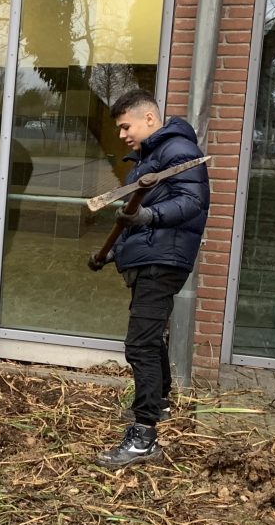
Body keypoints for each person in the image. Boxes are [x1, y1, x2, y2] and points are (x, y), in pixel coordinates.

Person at [87, 88, 209, 468]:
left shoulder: (177, 151)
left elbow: (193, 201)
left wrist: (150, 218)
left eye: (126, 126)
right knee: (150, 339)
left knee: (139, 345)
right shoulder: (151, 156)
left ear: (149, 119)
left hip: (164, 259)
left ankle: (143, 437)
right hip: (152, 255)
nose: (123, 134)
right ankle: (161, 403)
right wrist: (109, 255)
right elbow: (135, 213)